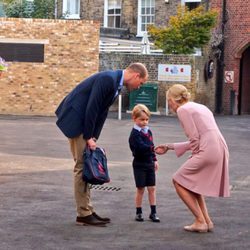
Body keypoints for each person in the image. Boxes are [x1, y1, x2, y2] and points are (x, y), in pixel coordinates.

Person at [55, 63, 148, 226]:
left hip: (83, 123)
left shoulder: (115, 83)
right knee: (82, 167)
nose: (139, 87)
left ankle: (87, 210)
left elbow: (101, 112)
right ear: (136, 76)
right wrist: (89, 136)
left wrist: (94, 137)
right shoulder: (108, 79)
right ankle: (83, 214)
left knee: (86, 165)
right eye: (141, 83)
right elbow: (92, 108)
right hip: (77, 121)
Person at [155, 84, 230, 233]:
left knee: (178, 180)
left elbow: (194, 138)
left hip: (207, 149)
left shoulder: (183, 110)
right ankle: (206, 221)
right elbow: (203, 136)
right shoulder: (199, 106)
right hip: (219, 147)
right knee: (193, 184)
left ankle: (200, 221)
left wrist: (195, 154)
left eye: (169, 100)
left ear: (173, 99)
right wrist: (169, 146)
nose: (169, 103)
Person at [129, 104, 160, 223]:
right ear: (134, 118)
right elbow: (139, 148)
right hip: (139, 164)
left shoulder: (148, 132)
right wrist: (153, 149)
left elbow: (151, 145)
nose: (145, 122)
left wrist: (155, 159)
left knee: (152, 188)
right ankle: (138, 212)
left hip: (149, 163)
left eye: (147, 119)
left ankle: (153, 212)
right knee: (140, 188)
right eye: (141, 119)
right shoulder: (134, 134)